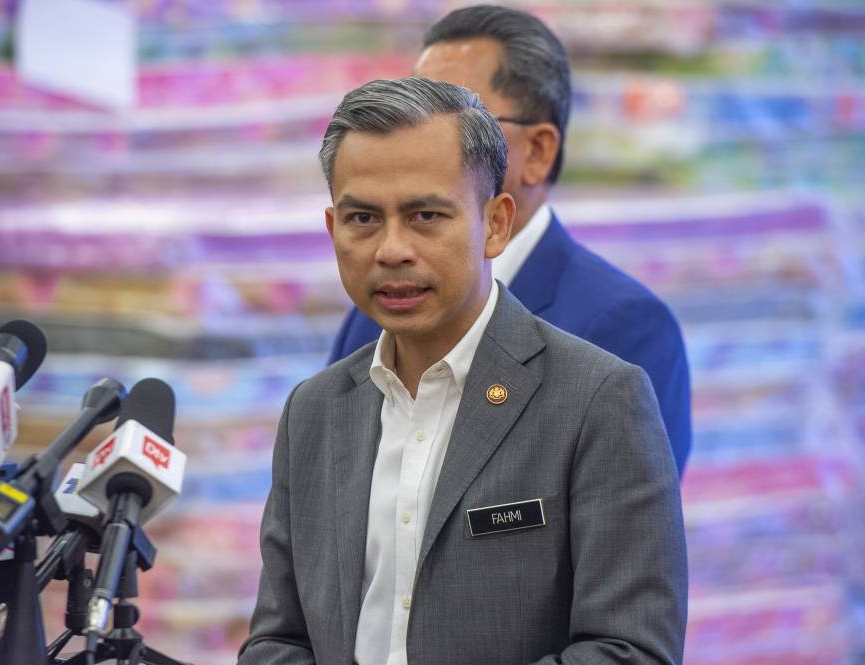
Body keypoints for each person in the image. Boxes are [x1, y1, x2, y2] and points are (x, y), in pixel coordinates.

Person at [238, 76, 687, 665]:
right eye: (363, 219)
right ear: (332, 230)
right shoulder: (315, 410)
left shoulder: (598, 398)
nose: (391, 249)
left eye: (425, 215)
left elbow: (631, 650)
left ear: (495, 224)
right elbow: (278, 639)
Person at [327, 5, 692, 476]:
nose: (420, 140)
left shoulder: (621, 326)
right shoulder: (374, 314)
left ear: (538, 151)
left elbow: (627, 535)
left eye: (461, 117)